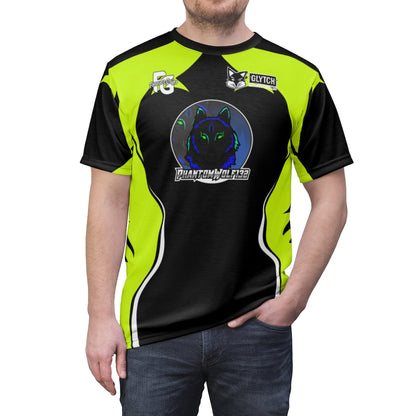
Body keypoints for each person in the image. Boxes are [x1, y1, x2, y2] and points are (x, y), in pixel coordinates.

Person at [80, 0, 353, 414]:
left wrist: (295, 298)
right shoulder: (126, 74)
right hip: (151, 329)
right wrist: (99, 314)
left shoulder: (299, 78)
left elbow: (331, 197)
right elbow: (108, 200)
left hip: (256, 325)